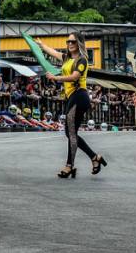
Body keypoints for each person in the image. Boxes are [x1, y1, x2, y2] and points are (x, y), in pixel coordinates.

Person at [38, 33, 107, 178]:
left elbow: (75, 76)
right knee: (71, 133)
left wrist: (56, 77)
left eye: (73, 41)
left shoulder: (82, 60)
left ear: (79, 43)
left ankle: (70, 165)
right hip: (71, 97)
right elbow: (54, 52)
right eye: (68, 41)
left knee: (70, 133)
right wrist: (41, 45)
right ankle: (94, 157)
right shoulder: (66, 58)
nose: (70, 44)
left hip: (79, 96)